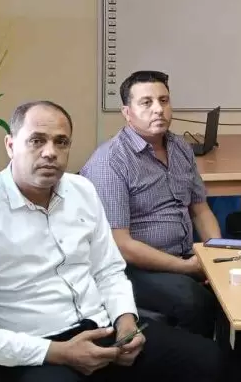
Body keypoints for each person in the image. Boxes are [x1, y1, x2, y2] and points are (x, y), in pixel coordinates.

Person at [0, 101, 227, 382]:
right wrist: (59, 352)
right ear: (10, 145)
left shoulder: (82, 191)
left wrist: (126, 321)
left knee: (211, 360)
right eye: (37, 141)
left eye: (61, 142)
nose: (50, 152)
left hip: (102, 328)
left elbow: (108, 270)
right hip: (34, 349)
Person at [80, 70, 222, 339]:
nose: (158, 109)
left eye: (164, 100)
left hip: (185, 256)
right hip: (133, 268)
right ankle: (196, 358)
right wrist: (188, 268)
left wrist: (215, 253)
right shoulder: (111, 161)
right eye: (146, 102)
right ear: (127, 112)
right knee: (194, 300)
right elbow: (121, 245)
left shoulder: (180, 147)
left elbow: (200, 209)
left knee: (237, 282)